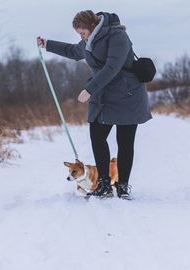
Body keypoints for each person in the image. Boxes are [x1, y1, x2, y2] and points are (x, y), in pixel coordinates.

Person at [37, 10, 152, 199]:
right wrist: (48, 44)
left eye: (82, 33)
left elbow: (112, 67)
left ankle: (122, 186)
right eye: (79, 35)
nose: (82, 37)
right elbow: (74, 51)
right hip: (105, 95)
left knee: (125, 142)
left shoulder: (118, 36)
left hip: (127, 94)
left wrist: (89, 89)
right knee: (97, 136)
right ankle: (104, 184)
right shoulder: (90, 40)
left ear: (92, 26)